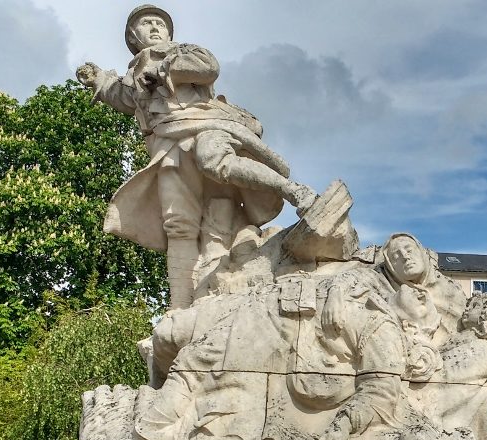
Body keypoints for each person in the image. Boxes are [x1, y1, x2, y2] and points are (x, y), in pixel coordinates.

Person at [76, 5, 317, 309]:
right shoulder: (131, 76)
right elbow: (120, 96)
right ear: (133, 37)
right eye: (145, 24)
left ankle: (295, 191)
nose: (154, 27)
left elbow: (208, 67)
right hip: (167, 149)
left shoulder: (184, 51)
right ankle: (181, 310)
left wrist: (164, 70)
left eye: (159, 23)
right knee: (179, 225)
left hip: (205, 124)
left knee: (215, 161)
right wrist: (98, 80)